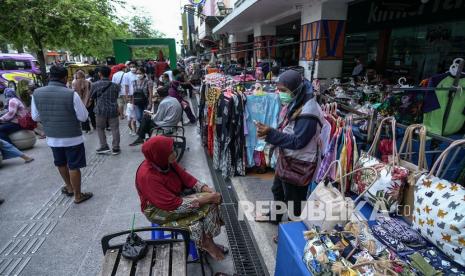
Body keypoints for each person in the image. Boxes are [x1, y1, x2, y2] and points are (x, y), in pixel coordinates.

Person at [255, 70, 324, 235]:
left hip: (300, 163)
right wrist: (271, 133)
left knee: (294, 201)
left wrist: (271, 134)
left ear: (295, 88)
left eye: (284, 90)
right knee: (278, 189)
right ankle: (275, 217)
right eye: (279, 90)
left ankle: (292, 233)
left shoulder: (309, 111)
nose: (280, 94)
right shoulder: (298, 100)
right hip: (288, 158)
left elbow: (298, 142)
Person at [135, 135, 226, 260]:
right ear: (160, 154)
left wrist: (209, 191)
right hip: (159, 210)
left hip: (174, 199)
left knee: (212, 202)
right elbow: (174, 205)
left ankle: (208, 240)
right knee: (199, 219)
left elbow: (187, 178)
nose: (175, 152)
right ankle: (206, 243)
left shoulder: (164, 162)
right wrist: (209, 198)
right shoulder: (148, 176)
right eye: (171, 151)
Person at [32, 65, 93, 204]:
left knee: (60, 163)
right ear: (65, 78)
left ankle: (69, 188)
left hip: (52, 137)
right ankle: (78, 195)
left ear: (49, 77)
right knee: (73, 165)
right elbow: (83, 117)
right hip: (72, 137)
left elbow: (35, 117)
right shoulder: (71, 94)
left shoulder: (37, 93)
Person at [90, 66, 121, 155]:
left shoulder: (95, 84)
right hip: (113, 109)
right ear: (110, 73)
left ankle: (104, 146)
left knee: (100, 128)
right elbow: (116, 97)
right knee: (115, 129)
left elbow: (92, 97)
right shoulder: (115, 86)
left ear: (100, 74)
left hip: (100, 110)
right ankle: (116, 148)